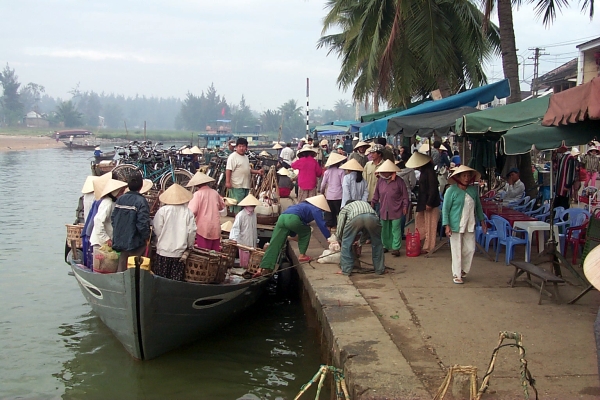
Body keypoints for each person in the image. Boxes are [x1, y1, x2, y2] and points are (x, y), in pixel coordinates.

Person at [259, 194, 331, 271]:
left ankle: (263, 267)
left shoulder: (301, 205)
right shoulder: (316, 209)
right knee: (306, 231)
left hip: (282, 218)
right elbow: (321, 224)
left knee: (274, 243)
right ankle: (302, 255)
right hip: (293, 219)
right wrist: (329, 238)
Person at [442, 165, 486, 284]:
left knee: (470, 249)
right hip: (455, 224)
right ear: (458, 177)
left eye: (468, 175)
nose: (466, 178)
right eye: (464, 175)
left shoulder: (473, 191)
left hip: (470, 224)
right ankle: (457, 274)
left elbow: (478, 207)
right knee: (456, 249)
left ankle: (463, 270)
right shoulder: (451, 190)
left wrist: (482, 221)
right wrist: (447, 225)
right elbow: (445, 209)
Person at [152, 184, 196, 281]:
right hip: (179, 254)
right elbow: (192, 232)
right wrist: (189, 246)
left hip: (163, 251)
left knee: (160, 280)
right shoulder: (188, 212)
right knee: (174, 282)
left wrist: (160, 240)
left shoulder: (162, 211)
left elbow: (157, 229)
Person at [111, 173, 152, 272]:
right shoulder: (141, 201)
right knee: (146, 250)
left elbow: (113, 219)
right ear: (141, 186)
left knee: (122, 263)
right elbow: (142, 224)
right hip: (135, 242)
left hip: (120, 240)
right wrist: (147, 237)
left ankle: (120, 279)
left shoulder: (120, 199)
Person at [336, 200, 384, 276]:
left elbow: (340, 225)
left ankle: (346, 270)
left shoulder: (345, 208)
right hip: (372, 217)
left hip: (355, 218)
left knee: (346, 243)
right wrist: (360, 242)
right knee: (377, 243)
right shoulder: (365, 203)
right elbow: (366, 230)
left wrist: (339, 238)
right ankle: (379, 269)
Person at [372, 160, 409, 256]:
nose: (384, 173)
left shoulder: (399, 181)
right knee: (384, 228)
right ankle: (385, 246)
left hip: (397, 209)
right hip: (384, 209)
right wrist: (373, 203)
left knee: (395, 229)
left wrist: (405, 206)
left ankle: (396, 248)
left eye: (386, 171)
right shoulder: (380, 181)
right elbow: (376, 194)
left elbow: (405, 196)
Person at [407, 152, 441, 254]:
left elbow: (433, 188)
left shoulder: (429, 172)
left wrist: (429, 202)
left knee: (430, 225)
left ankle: (429, 247)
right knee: (421, 222)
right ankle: (422, 243)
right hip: (423, 202)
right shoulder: (424, 171)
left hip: (430, 203)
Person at [187, 171, 226, 251]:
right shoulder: (215, 193)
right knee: (214, 254)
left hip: (203, 228)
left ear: (196, 185)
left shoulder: (197, 194)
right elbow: (222, 207)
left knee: (204, 253)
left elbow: (191, 212)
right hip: (215, 226)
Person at [90, 177, 128, 259]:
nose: (122, 194)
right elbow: (98, 221)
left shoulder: (113, 202)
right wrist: (106, 239)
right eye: (121, 192)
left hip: (106, 241)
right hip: (100, 242)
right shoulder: (108, 203)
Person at [226, 138, 264, 213]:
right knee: (238, 206)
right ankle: (237, 223)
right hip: (236, 185)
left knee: (244, 207)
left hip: (245, 185)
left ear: (246, 147)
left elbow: (248, 169)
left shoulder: (246, 157)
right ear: (236, 147)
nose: (241, 148)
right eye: (239, 146)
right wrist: (227, 182)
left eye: (243, 146)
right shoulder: (232, 157)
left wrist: (257, 172)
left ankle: (241, 223)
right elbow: (228, 170)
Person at [229, 194, 260, 267]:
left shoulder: (254, 215)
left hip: (252, 242)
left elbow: (254, 229)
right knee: (244, 262)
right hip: (244, 242)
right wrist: (234, 239)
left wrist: (256, 241)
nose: (253, 207)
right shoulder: (241, 215)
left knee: (251, 261)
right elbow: (235, 228)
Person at [320, 152, 347, 229]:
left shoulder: (327, 172)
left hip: (329, 195)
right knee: (339, 213)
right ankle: (339, 227)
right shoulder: (341, 171)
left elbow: (323, 185)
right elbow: (343, 184)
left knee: (330, 213)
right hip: (339, 195)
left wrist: (322, 192)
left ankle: (330, 228)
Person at [397, 159, 417, 239]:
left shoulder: (394, 171)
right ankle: (401, 232)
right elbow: (413, 183)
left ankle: (395, 233)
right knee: (403, 214)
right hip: (406, 194)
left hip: (395, 195)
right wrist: (409, 187)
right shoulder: (410, 171)